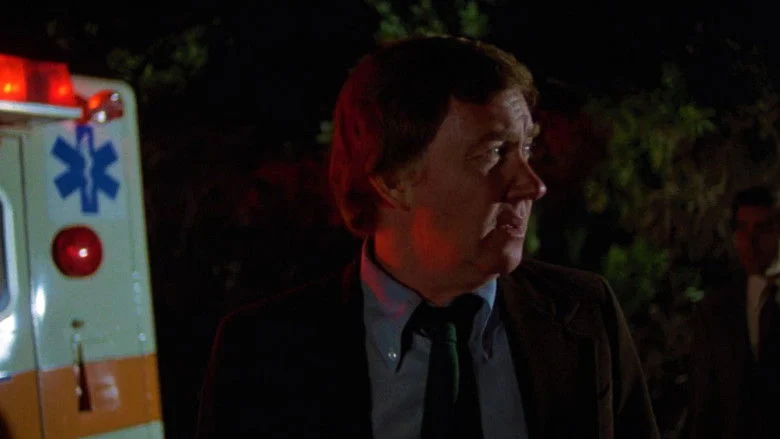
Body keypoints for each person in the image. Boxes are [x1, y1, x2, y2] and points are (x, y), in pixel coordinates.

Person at [195, 35, 659, 439]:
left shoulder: (584, 317)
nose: (532, 185)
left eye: (527, 148)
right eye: (494, 152)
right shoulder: (265, 353)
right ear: (393, 179)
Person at [686, 185, 780, 438]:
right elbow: (703, 407)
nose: (750, 242)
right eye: (742, 229)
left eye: (761, 229)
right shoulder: (714, 312)